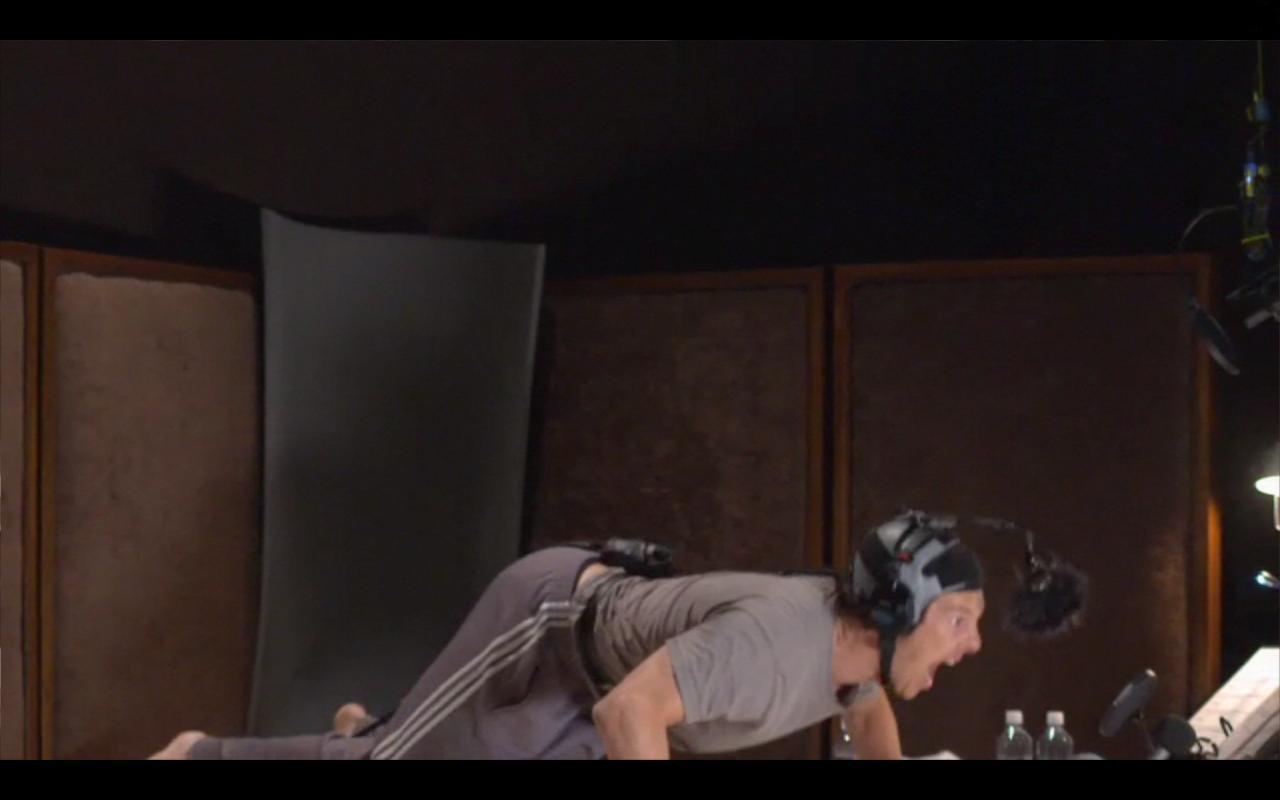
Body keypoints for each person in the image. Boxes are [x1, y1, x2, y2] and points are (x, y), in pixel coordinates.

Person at [149, 510, 984, 760]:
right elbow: (631, 716)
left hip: (600, 691)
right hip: (547, 630)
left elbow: (864, 707)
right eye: (959, 619)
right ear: (899, 608)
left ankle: (379, 729)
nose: (972, 643)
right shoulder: (775, 643)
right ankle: (198, 754)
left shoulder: (853, 654)